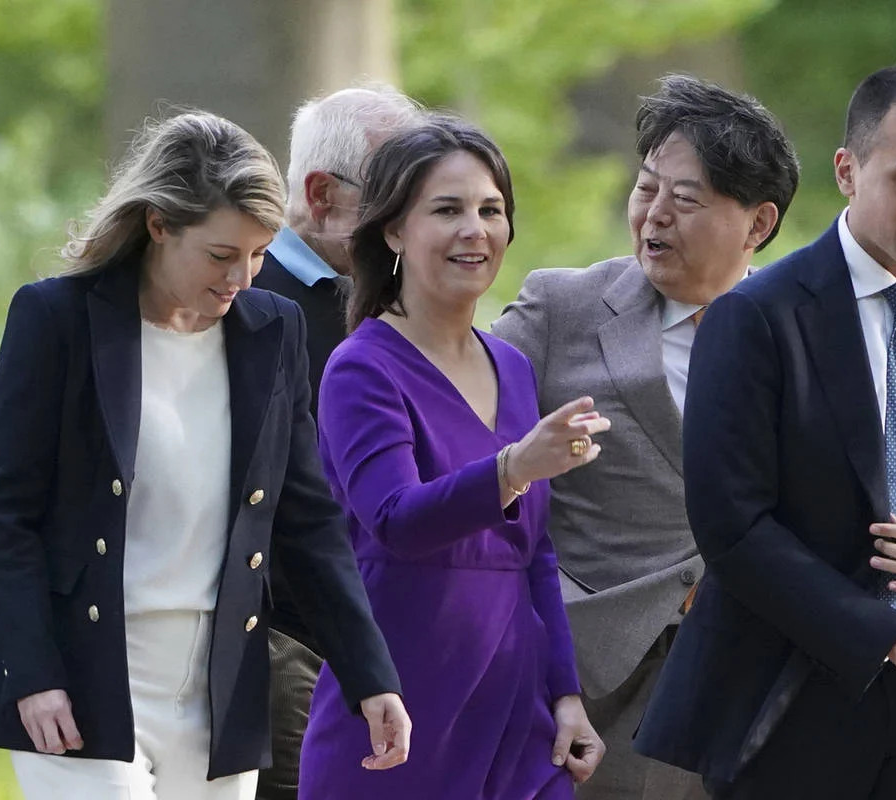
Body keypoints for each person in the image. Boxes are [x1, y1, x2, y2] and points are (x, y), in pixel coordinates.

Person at [0, 111, 410, 800]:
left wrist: (369, 672)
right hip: (84, 677)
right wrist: (35, 673)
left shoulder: (271, 328)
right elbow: (7, 512)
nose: (243, 277)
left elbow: (307, 519)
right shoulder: (56, 320)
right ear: (159, 225)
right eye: (222, 255)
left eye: (259, 254)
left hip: (219, 687)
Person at [633, 65, 896, 799]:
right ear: (848, 170)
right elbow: (731, 527)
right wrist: (886, 637)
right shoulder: (757, 317)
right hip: (784, 703)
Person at [492, 74, 799, 800]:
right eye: (645, 189)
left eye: (685, 200)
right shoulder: (561, 306)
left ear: (757, 224)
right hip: (575, 678)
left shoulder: (802, 337)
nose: (653, 216)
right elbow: (460, 447)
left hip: (733, 682)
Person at [298, 116, 606, 799]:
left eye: (491, 210)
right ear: (394, 231)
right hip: (400, 714)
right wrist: (514, 468)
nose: (476, 230)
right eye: (448, 210)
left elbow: (536, 555)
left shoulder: (515, 367)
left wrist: (566, 695)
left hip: (518, 716)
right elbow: (396, 518)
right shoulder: (362, 367)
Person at [249, 84, 421, 800]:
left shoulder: (406, 308)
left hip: (388, 661)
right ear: (321, 197)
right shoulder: (252, 306)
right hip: (290, 656)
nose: (418, 223)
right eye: (402, 199)